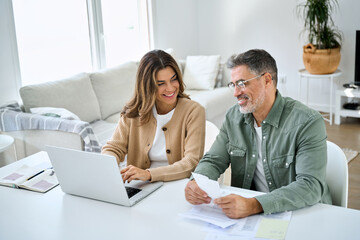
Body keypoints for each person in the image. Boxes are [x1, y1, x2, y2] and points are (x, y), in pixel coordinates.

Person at [184, 49, 332, 219]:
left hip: (302, 214)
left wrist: (255, 204)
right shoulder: (234, 117)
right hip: (253, 217)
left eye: (242, 83)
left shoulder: (307, 122)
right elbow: (214, 160)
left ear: (267, 80)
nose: (235, 93)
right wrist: (197, 181)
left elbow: (310, 186)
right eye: (233, 84)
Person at [102, 50, 206, 183]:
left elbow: (191, 162)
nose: (170, 88)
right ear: (147, 87)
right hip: (140, 186)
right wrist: (109, 166)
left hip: (176, 183)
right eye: (160, 84)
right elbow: (113, 148)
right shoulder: (133, 113)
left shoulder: (194, 111)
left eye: (173, 79)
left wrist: (148, 174)